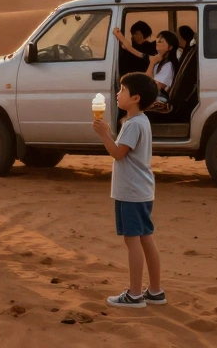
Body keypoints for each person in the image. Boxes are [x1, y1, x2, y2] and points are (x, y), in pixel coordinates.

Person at [92, 72, 165, 309]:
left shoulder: (133, 124)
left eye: (122, 90)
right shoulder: (140, 121)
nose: (117, 94)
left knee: (132, 240)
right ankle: (155, 291)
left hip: (132, 191)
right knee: (145, 238)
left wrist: (104, 134)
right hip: (141, 190)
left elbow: (118, 154)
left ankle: (134, 295)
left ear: (135, 98)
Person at [147, 30, 180, 96]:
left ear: (170, 47)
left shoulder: (169, 66)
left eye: (160, 42)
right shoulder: (160, 61)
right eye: (157, 41)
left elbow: (154, 88)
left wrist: (152, 63)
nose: (157, 44)